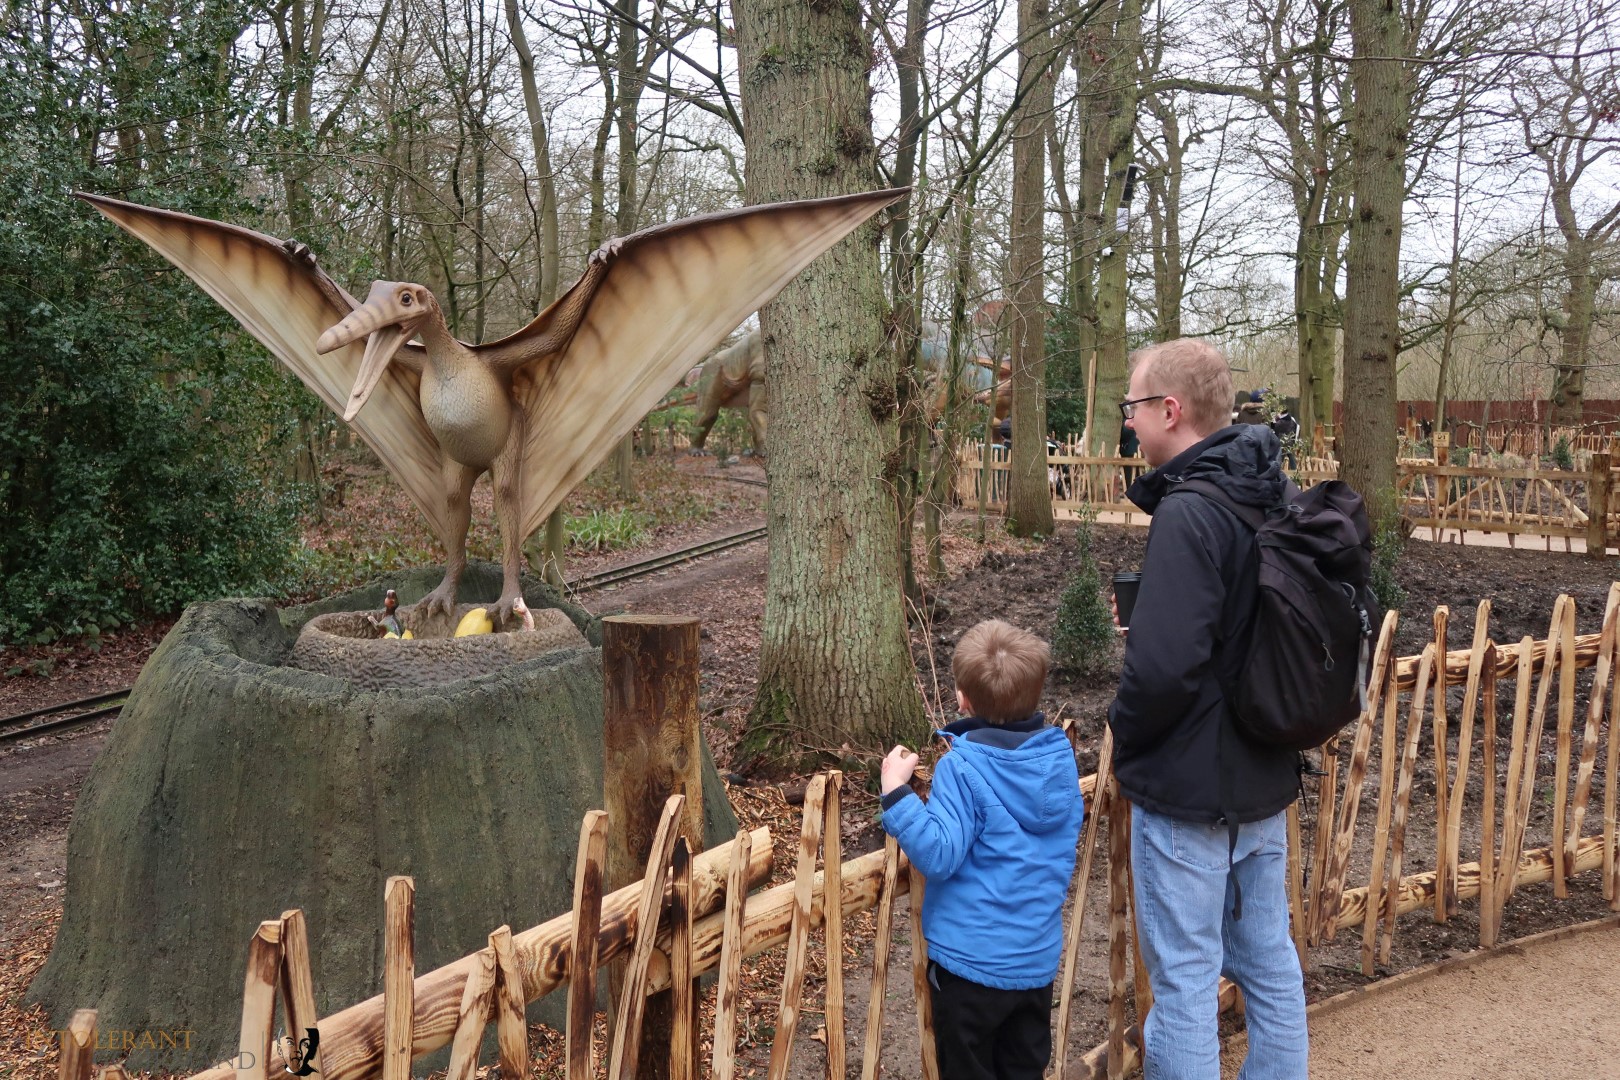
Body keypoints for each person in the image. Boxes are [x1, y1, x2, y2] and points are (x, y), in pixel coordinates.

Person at [1111, 339, 1308, 1080]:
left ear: (1170, 409)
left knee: (1187, 981)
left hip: (1192, 789)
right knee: (1268, 961)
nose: (1128, 423)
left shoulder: (1190, 511)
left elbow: (1164, 671)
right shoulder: (1270, 494)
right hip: (1262, 773)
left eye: (1133, 406)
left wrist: (1122, 734)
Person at [879, 620, 1084, 1080]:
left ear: (962, 699)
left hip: (971, 969)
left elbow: (938, 853)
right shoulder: (1058, 759)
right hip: (1034, 963)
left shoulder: (963, 767)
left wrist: (897, 793)